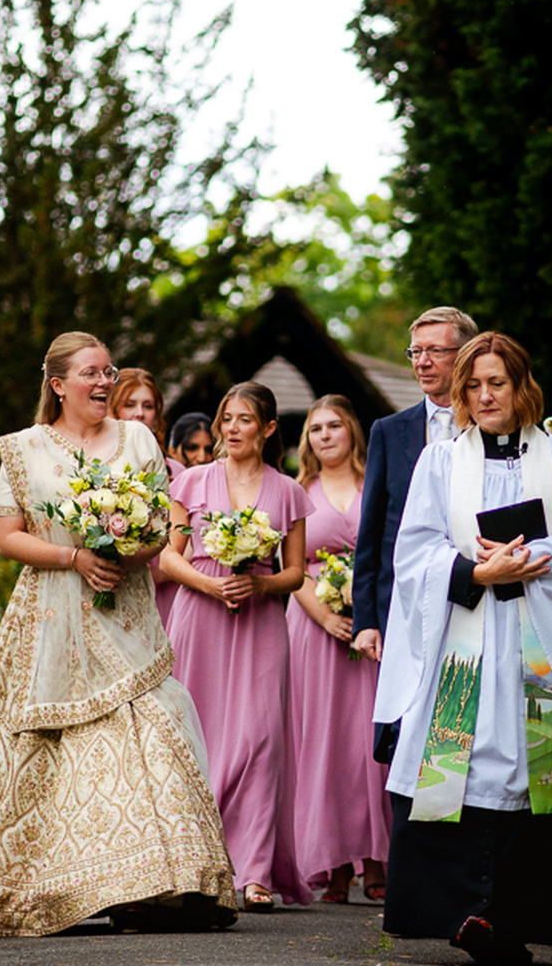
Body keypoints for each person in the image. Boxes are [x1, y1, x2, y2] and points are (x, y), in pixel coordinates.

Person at [0, 332, 236, 936]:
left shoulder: (138, 440)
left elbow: (160, 530)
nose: (105, 383)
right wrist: (74, 559)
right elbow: (8, 538)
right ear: (58, 385)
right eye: (91, 374)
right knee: (37, 749)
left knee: (153, 729)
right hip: (51, 615)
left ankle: (156, 887)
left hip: (126, 617)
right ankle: (38, 885)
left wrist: (125, 551)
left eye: (110, 371)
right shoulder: (23, 450)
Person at [376, 332, 552, 966]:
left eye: (498, 384)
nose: (486, 396)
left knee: (533, 772)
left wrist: (533, 558)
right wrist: (477, 574)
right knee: (464, 764)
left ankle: (518, 918)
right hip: (466, 638)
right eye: (475, 386)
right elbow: (415, 551)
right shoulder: (441, 462)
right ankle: (454, 914)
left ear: (521, 388)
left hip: (537, 647)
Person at [159, 382, 311, 910]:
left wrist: (260, 585)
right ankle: (203, 862)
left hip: (262, 621)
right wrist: (211, 584)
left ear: (268, 429)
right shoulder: (195, 481)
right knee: (201, 737)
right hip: (200, 617)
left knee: (260, 737)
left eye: (244, 419)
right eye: (227, 418)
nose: (231, 428)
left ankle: (256, 871)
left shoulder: (288, 491)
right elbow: (169, 559)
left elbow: (295, 573)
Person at [352, 307, 478, 769]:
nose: (422, 362)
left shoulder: (488, 430)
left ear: (463, 356)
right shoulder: (389, 431)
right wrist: (366, 618)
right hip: (402, 609)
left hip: (474, 600)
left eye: (434, 352)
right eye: (415, 352)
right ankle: (412, 834)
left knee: (467, 728)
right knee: (406, 736)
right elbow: (372, 534)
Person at [287, 395, 392, 905]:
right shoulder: (298, 493)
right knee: (323, 742)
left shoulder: (377, 481)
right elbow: (290, 568)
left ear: (351, 431)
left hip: (372, 629)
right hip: (313, 628)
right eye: (315, 429)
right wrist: (326, 615)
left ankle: (376, 857)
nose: (325, 435)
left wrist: (363, 611)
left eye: (334, 426)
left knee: (366, 742)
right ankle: (332, 866)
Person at [110, 368, 180, 632]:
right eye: (130, 404)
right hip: (112, 586)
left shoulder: (177, 473)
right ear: (114, 409)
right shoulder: (100, 470)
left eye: (147, 405)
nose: (140, 413)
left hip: (166, 590)